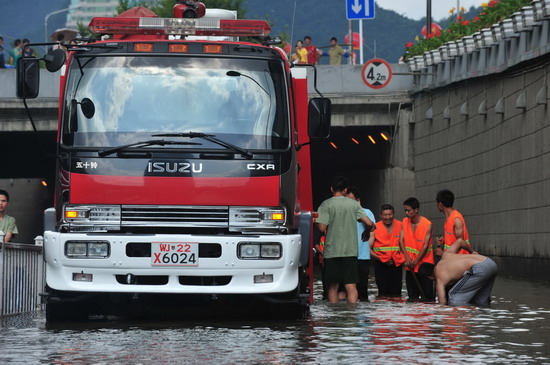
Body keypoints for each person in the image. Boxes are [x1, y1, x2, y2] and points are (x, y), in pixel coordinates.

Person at [315, 176, 375, 304]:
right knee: (351, 285)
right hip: (350, 251)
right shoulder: (353, 204)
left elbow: (321, 227)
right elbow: (369, 223)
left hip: (332, 251)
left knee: (333, 287)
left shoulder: (326, 204)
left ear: (331, 189)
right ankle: (352, 315)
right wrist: (366, 232)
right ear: (345, 190)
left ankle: (334, 316)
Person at [431, 238, 497, 306]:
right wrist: (472, 252)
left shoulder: (439, 279)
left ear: (430, 277)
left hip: (479, 268)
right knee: (480, 301)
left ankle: (467, 314)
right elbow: (460, 241)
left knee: (453, 297)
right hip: (491, 263)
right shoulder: (446, 254)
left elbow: (442, 302)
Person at [399, 197, 435, 301]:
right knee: (412, 297)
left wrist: (416, 261)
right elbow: (401, 241)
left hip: (425, 266)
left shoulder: (427, 224)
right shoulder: (404, 222)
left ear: (416, 210)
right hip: (410, 266)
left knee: (427, 297)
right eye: (405, 210)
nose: (406, 213)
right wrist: (407, 257)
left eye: (408, 210)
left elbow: (425, 245)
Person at [345, 186, 375, 302]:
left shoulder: (367, 213)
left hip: (362, 256)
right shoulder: (343, 214)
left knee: (362, 290)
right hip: (346, 255)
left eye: (351, 200)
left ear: (358, 200)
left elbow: (372, 229)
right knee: (346, 289)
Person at [369, 204, 405, 297]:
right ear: (380, 215)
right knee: (383, 294)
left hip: (397, 264)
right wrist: (380, 258)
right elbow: (368, 248)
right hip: (380, 264)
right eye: (385, 215)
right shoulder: (375, 227)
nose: (388, 217)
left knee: (397, 294)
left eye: (390, 214)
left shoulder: (401, 225)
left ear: (394, 214)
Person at [436, 189, 471, 255]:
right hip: (453, 260)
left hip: (460, 261)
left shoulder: (456, 219)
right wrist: (443, 241)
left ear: (440, 204)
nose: (436, 205)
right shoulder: (449, 218)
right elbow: (453, 240)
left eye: (436, 203)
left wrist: (443, 254)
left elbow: (460, 244)